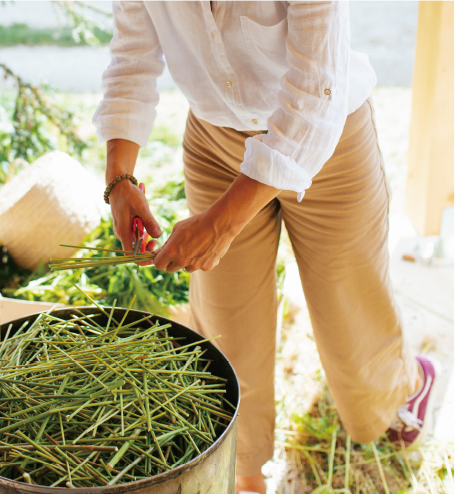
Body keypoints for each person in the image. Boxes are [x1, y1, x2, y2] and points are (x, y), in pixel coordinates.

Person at [93, 2, 440, 493]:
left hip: (326, 136)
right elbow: (132, 54)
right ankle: (245, 472)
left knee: (350, 314)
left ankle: (406, 384)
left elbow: (315, 92)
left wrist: (221, 224)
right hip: (216, 141)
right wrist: (120, 177)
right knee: (226, 325)